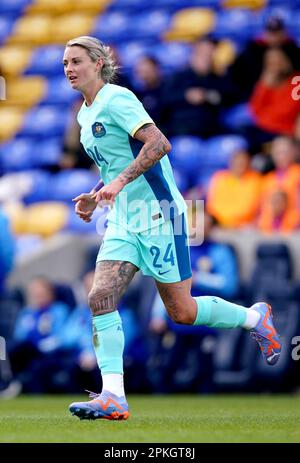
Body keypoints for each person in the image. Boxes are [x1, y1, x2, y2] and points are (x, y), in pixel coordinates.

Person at [63, 36, 282, 421]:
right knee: (99, 296)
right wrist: (97, 193)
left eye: (76, 61)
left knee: (181, 311)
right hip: (123, 220)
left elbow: (159, 144)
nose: (69, 68)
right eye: (65, 62)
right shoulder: (84, 113)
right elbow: (116, 167)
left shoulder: (119, 99)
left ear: (98, 63)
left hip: (162, 215)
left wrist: (117, 183)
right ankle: (113, 395)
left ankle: (254, 318)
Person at [206, 149, 262, 228]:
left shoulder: (256, 180)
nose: (239, 164)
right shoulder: (220, 178)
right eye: (237, 161)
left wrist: (231, 220)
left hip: (244, 226)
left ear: (248, 163)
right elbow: (212, 205)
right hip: (217, 223)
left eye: (243, 162)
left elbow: (249, 208)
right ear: (231, 163)